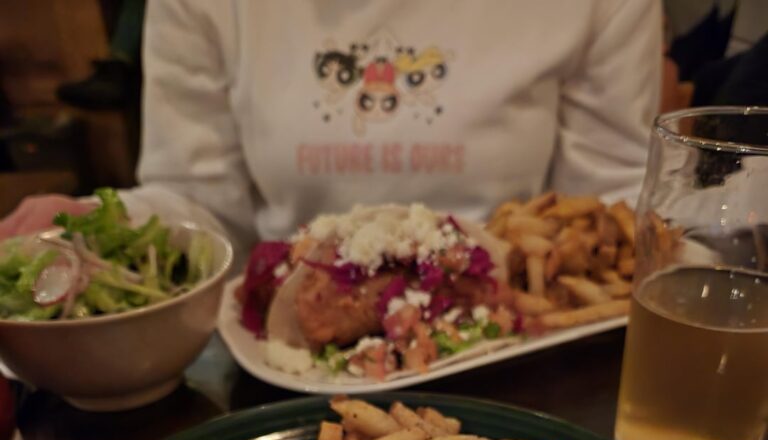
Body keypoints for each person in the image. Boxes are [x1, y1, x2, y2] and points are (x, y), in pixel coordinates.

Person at [0, 0, 662, 257]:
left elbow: (612, 202)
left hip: (525, 351)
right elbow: (203, 205)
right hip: (285, 354)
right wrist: (103, 223)